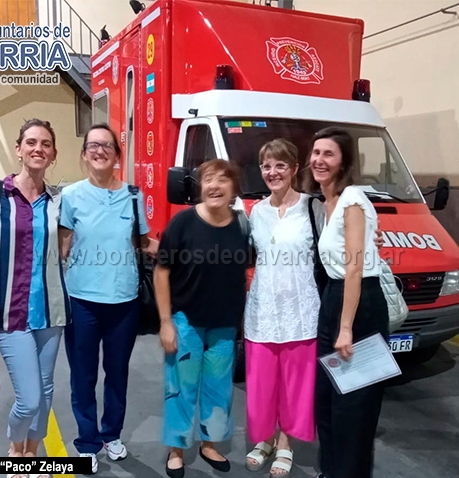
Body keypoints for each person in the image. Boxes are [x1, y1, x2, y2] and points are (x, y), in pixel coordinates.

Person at [60, 123, 157, 473]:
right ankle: (87, 441)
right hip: (82, 301)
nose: (99, 151)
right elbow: (61, 244)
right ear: (85, 154)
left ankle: (111, 434)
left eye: (107, 146)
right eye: (93, 146)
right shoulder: (70, 197)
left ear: (117, 154)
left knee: (117, 373)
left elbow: (142, 243)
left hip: (124, 302)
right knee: (83, 375)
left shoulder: (133, 195)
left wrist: (190, 248)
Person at [0, 119, 71, 462]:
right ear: (18, 149)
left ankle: (31, 453)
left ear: (53, 154)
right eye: (31, 142)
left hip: (50, 311)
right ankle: (15, 446)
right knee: (29, 398)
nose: (38, 149)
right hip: (10, 312)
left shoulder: (58, 202)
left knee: (46, 393)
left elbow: (66, 249)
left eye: (45, 144)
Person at [156, 159, 253, 478]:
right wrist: (166, 321)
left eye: (223, 180)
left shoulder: (242, 225)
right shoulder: (182, 223)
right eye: (208, 179)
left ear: (233, 189)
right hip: (186, 322)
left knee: (218, 389)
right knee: (181, 388)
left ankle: (210, 444)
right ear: (200, 186)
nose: (215, 186)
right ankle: (176, 449)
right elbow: (162, 272)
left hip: (225, 326)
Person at [305, 127, 389, 478]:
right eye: (315, 152)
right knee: (326, 401)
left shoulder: (352, 198)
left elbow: (355, 267)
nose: (319, 160)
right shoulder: (327, 202)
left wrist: (345, 328)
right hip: (335, 299)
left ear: (343, 163)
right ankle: (332, 471)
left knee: (353, 408)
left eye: (329, 154)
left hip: (360, 307)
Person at [243, 139, 319, 477]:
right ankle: (266, 438)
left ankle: (285, 443)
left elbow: (338, 244)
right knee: (262, 383)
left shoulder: (313, 208)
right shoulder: (256, 212)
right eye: (266, 166)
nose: (272, 172)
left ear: (294, 168)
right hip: (262, 310)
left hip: (301, 310)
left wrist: (370, 242)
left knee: (294, 384)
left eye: (280, 165)